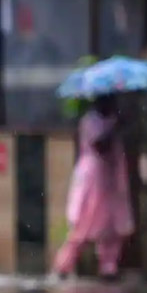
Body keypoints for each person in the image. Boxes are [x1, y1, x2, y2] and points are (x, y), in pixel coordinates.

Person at [52, 94, 135, 280]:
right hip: (94, 177)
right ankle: (63, 266)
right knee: (84, 224)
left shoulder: (112, 120)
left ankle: (108, 268)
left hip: (111, 178)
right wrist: (115, 127)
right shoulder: (90, 121)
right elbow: (99, 144)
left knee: (112, 227)